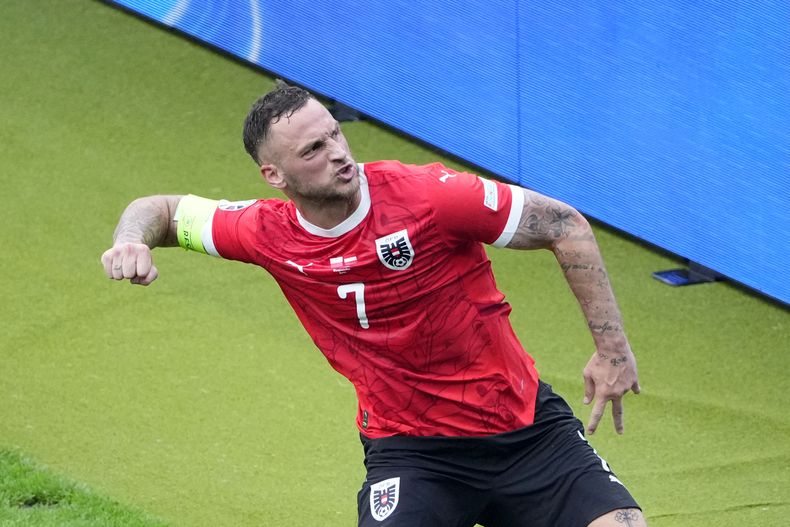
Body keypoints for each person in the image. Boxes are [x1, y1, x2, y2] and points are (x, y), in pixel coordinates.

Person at [101, 85, 646, 527]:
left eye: (334, 134)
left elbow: (564, 225)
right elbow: (161, 210)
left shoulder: (430, 197)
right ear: (274, 175)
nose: (339, 153)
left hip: (525, 429)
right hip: (413, 452)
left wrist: (612, 350)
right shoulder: (266, 232)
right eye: (313, 151)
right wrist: (131, 240)